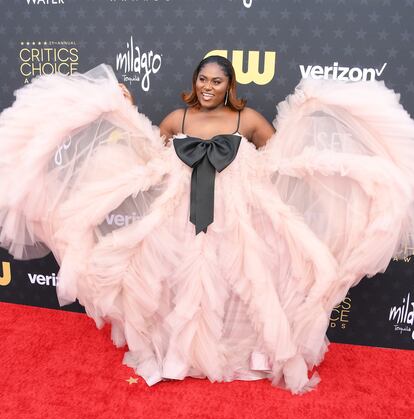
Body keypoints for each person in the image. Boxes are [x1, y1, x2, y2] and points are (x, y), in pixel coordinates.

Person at [0, 57, 414, 394]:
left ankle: (249, 358)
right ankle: (179, 357)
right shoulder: (174, 119)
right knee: (184, 287)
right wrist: (122, 109)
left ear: (229, 86)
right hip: (181, 220)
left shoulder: (248, 120)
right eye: (202, 78)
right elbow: (150, 157)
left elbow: (277, 162)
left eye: (217, 80)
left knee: (241, 284)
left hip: (237, 220)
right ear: (194, 81)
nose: (208, 86)